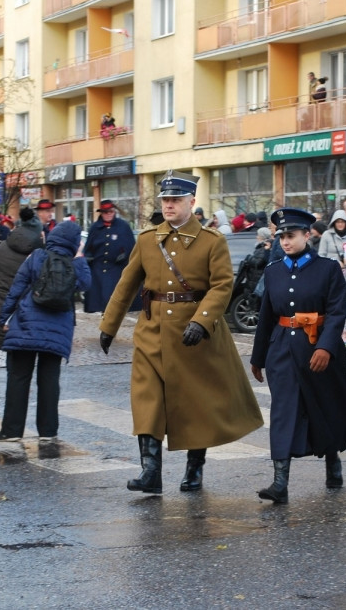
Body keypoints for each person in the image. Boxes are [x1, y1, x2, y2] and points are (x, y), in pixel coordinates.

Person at [98, 171, 263, 495]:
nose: (169, 205)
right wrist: (108, 325)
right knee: (147, 401)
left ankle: (194, 469)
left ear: (191, 201)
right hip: (151, 332)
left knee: (195, 404)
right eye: (165, 199)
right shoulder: (148, 239)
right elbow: (127, 283)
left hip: (194, 337)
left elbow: (221, 286)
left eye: (176, 199)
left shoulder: (212, 241)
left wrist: (201, 321)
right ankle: (150, 472)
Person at [250, 208, 346, 504]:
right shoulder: (273, 271)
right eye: (281, 237)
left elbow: (336, 311)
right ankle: (279, 483)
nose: (285, 241)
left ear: (307, 235)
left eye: (291, 235)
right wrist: (258, 357)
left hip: (318, 348)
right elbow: (266, 317)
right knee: (283, 411)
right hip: (282, 350)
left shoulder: (327, 268)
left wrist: (326, 347)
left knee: (325, 407)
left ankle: (332, 460)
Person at [0, 221, 91, 440]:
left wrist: (5, 316)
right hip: (57, 330)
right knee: (49, 380)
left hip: (27, 323)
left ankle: (12, 430)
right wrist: (80, 256)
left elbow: (17, 287)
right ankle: (48, 431)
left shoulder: (36, 257)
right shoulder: (73, 263)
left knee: (18, 377)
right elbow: (85, 284)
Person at [0, 208, 44, 430]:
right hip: (16, 315)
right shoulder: (37, 254)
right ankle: (10, 420)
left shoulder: (2, 247)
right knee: (15, 371)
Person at [83, 199, 139, 314]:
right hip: (98, 271)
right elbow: (88, 248)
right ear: (101, 213)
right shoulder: (95, 228)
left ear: (114, 212)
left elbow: (132, 248)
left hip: (116, 270)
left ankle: (110, 320)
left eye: (111, 212)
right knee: (102, 301)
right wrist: (88, 257)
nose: (108, 214)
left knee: (114, 301)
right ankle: (105, 319)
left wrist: (125, 255)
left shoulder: (123, 226)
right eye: (105, 212)